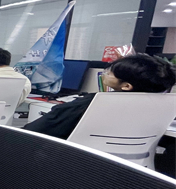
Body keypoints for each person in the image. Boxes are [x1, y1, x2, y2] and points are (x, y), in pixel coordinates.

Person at [24, 54, 176, 139]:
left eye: (110, 72)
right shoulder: (162, 108)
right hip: (127, 171)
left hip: (74, 164)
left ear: (126, 86)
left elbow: (32, 132)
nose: (105, 74)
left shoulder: (93, 103)